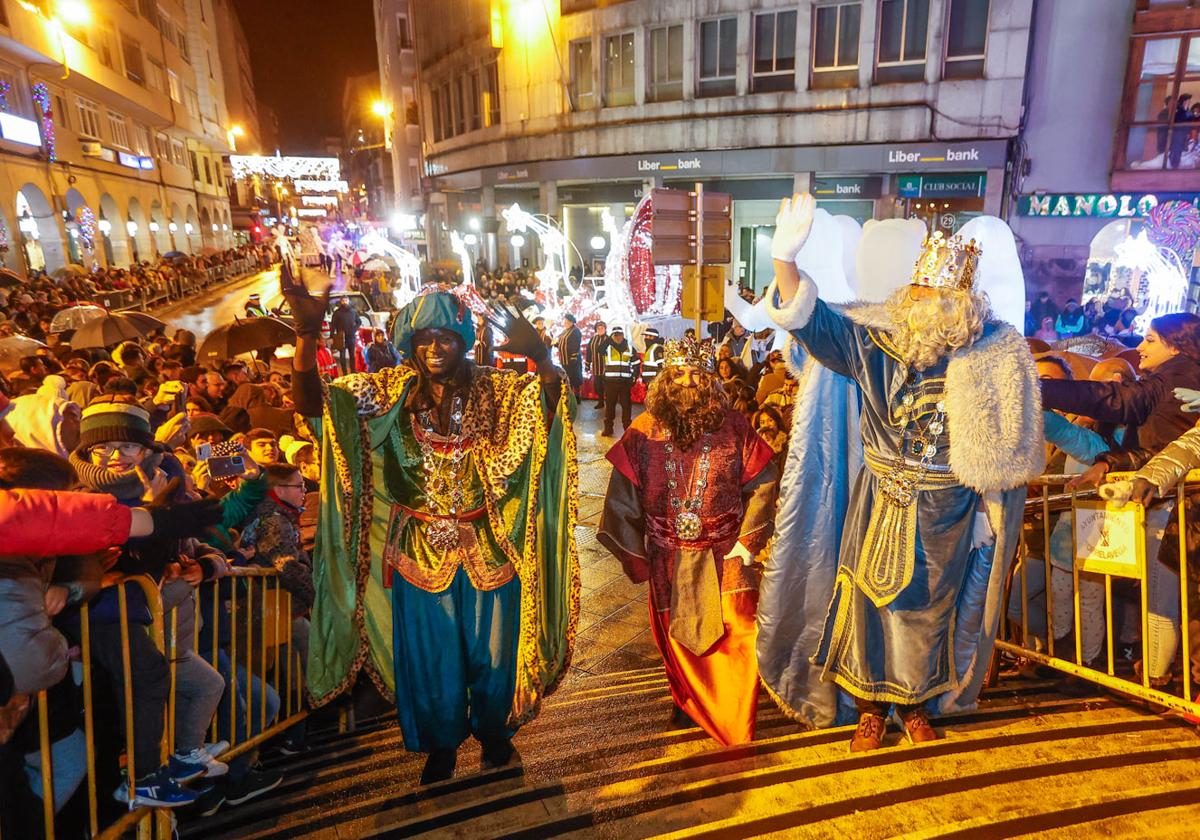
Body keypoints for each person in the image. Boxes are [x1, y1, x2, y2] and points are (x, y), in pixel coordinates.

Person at [760, 194, 1041, 750]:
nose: (929, 304)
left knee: (929, 612)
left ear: (963, 302)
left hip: (949, 506)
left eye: (942, 296)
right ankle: (868, 708)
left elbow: (1011, 429)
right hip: (879, 497)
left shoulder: (992, 352)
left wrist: (991, 505)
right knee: (868, 601)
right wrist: (783, 263)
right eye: (922, 292)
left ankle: (913, 704)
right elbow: (814, 324)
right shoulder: (874, 342)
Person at [282, 278, 580, 786]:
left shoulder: (498, 391)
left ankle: (493, 735)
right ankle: (441, 745)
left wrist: (545, 357)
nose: (433, 348)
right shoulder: (386, 394)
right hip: (417, 553)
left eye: (444, 336)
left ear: (463, 340)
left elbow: (550, 410)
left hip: (489, 548)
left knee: (492, 655)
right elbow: (316, 407)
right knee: (430, 660)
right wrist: (307, 335)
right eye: (422, 338)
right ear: (408, 343)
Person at [599, 339, 777, 745]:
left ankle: (731, 718)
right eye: (678, 374)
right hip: (669, 555)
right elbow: (622, 496)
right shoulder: (643, 433)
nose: (688, 382)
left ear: (712, 381)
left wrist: (747, 541)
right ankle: (685, 702)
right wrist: (636, 556)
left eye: (698, 374)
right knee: (676, 636)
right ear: (664, 381)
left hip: (726, 552)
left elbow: (764, 484)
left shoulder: (736, 427)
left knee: (739, 630)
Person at [1040, 312, 1200, 684]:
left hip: (1175, 507)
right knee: (1163, 600)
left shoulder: (1180, 375)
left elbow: (1124, 406)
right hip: (1163, 498)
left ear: (1176, 344)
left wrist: (1039, 389)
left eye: (1150, 340)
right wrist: (1112, 462)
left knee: (1162, 602)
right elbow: (1167, 449)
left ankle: (1158, 682)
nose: (1141, 348)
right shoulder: (1178, 376)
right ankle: (1160, 677)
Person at [602, 326, 636, 437]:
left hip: (625, 382)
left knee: (626, 406)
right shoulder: (607, 347)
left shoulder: (630, 348)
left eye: (619, 334)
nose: (618, 337)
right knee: (610, 406)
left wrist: (634, 376)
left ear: (623, 335)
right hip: (610, 382)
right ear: (612, 336)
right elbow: (599, 349)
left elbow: (636, 363)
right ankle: (608, 428)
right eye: (615, 335)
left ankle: (627, 428)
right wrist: (609, 340)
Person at [330, 298, 359, 377]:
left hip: (351, 337)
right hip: (341, 337)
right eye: (343, 300)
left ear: (348, 301)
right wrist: (332, 336)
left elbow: (359, 321)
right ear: (340, 302)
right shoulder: (337, 313)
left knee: (352, 355)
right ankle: (344, 373)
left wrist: (354, 329)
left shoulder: (353, 311)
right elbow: (333, 325)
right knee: (342, 356)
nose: (344, 302)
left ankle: (353, 371)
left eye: (346, 300)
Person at [556, 313, 583, 395]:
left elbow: (575, 345)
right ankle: (570, 396)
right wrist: (556, 344)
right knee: (567, 378)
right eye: (565, 321)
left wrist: (573, 358)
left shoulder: (575, 331)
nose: (565, 323)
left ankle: (577, 397)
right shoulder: (564, 331)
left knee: (574, 379)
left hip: (572, 360)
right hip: (564, 360)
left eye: (567, 322)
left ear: (571, 322)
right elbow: (562, 344)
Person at [587, 321, 609, 411]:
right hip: (596, 366)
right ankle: (600, 402)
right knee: (598, 386)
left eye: (602, 328)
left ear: (605, 329)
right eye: (598, 328)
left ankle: (609, 403)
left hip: (606, 367)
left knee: (607, 386)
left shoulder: (609, 339)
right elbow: (589, 351)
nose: (600, 330)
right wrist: (587, 364)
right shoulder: (593, 339)